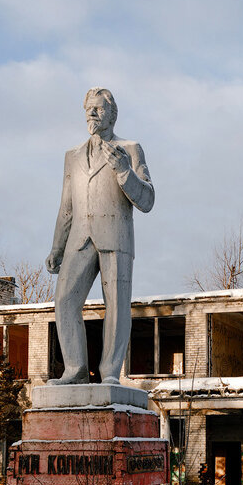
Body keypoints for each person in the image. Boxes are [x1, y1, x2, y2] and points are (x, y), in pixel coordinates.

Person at [46, 88, 154, 384]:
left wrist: (124, 172)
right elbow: (66, 205)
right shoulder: (72, 156)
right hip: (79, 239)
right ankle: (75, 369)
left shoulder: (130, 149)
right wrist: (57, 247)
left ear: (112, 114)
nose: (92, 114)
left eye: (99, 109)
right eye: (88, 109)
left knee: (116, 305)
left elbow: (147, 200)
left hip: (115, 237)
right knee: (65, 300)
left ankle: (109, 373)